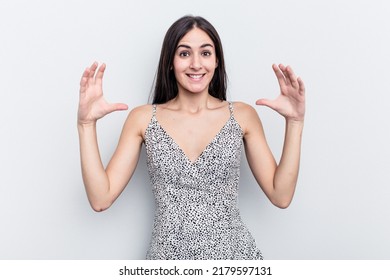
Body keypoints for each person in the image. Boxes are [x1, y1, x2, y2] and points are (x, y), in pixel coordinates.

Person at [77, 15, 305, 260]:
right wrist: (86, 124)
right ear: (170, 62)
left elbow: (281, 196)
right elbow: (101, 199)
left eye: (205, 53)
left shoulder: (242, 115)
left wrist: (295, 122)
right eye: (184, 54)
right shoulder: (143, 119)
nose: (196, 64)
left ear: (217, 61)